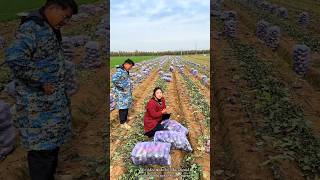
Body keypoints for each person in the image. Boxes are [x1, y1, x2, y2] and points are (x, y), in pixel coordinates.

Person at [5, 0, 78, 179]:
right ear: (52, 7)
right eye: (65, 16)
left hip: (50, 107)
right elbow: (15, 58)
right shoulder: (32, 28)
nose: (66, 22)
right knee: (42, 154)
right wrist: (40, 81)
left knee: (50, 150)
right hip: (38, 109)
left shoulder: (47, 27)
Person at [112, 59, 135, 129]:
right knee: (122, 108)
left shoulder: (125, 70)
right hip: (121, 93)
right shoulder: (120, 71)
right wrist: (122, 88)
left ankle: (126, 118)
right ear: (126, 64)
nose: (130, 68)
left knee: (126, 106)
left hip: (126, 93)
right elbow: (114, 80)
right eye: (130, 66)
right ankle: (123, 123)